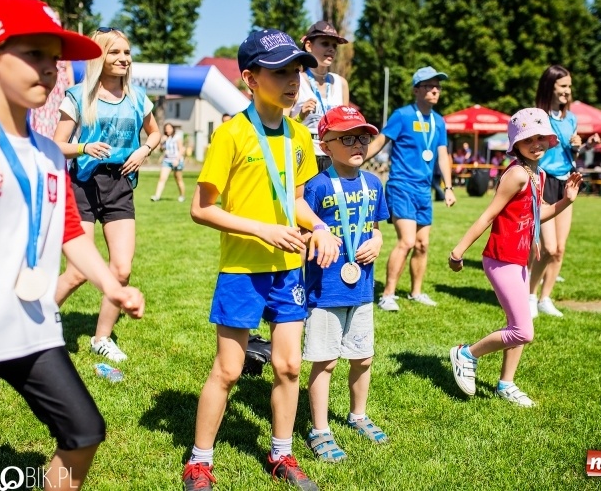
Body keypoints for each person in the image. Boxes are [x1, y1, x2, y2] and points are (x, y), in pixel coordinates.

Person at [0, 0, 145, 491]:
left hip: (31, 325)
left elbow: (70, 232)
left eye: (55, 59)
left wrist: (112, 286)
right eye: (34, 54)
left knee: (84, 432)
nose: (49, 69)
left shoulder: (49, 154)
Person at [181, 28, 340, 491]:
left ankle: (281, 454)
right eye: (280, 72)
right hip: (242, 271)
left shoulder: (298, 135)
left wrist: (320, 226)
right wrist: (263, 229)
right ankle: (199, 461)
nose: (293, 80)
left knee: (288, 366)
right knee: (229, 370)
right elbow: (201, 209)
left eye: (297, 71)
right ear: (250, 79)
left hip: (288, 270)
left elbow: (294, 200)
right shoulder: (232, 134)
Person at [447, 108, 582, 406]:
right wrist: (458, 251)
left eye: (540, 137)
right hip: (501, 259)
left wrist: (565, 201)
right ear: (516, 144)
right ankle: (466, 354)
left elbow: (537, 214)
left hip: (518, 260)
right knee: (523, 330)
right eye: (528, 139)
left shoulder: (538, 174)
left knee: (516, 323)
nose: (536, 144)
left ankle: (506, 384)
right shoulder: (518, 174)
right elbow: (488, 216)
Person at [52, 27, 161, 362]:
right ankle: (31, 322)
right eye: (115, 52)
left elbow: (155, 134)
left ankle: (101, 338)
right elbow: (56, 145)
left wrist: (143, 150)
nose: (123, 58)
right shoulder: (77, 96)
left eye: (126, 52)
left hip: (120, 184)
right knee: (78, 271)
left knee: (122, 270)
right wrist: (84, 147)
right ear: (98, 56)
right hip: (83, 185)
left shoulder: (138, 97)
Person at [302, 106, 390, 463]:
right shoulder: (316, 186)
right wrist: (315, 238)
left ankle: (358, 415)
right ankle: (320, 429)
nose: (358, 145)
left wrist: (377, 241)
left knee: (363, 357)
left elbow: (376, 228)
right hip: (325, 290)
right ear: (325, 145)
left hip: (362, 288)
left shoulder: (373, 183)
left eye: (363, 138)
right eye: (348, 138)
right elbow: (302, 232)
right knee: (325, 362)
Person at [366, 66, 456, 311]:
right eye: (429, 86)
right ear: (416, 90)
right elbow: (380, 141)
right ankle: (387, 295)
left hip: (423, 190)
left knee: (422, 244)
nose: (435, 90)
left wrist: (448, 187)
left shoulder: (439, 122)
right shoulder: (402, 115)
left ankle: (416, 292)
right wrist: (354, 161)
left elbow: (442, 155)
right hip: (401, 186)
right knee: (406, 241)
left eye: (438, 86)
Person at [528, 65, 581, 318]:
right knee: (547, 247)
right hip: (543, 180)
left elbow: (570, 151)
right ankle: (529, 295)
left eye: (569, 86)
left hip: (565, 181)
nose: (567, 91)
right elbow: (530, 149)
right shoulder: (537, 117)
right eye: (563, 86)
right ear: (550, 86)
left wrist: (578, 145)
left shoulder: (571, 119)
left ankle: (544, 298)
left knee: (560, 248)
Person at [289, 21, 350, 172]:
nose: (331, 49)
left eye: (334, 46)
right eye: (325, 43)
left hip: (333, 157)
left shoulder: (341, 83)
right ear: (309, 46)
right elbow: (280, 126)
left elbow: (347, 126)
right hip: (303, 156)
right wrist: (300, 117)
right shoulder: (295, 80)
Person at [31, 60, 75, 138]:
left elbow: (68, 66)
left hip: (60, 90)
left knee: (58, 114)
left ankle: (55, 137)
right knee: (42, 113)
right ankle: (41, 136)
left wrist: (71, 84)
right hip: (44, 83)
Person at [150, 122, 186, 202]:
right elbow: (160, 149)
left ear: (173, 129)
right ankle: (157, 196)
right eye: (166, 129)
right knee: (162, 178)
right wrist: (162, 142)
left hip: (176, 160)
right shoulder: (165, 138)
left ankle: (182, 196)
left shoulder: (177, 137)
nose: (168, 130)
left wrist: (177, 160)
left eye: (169, 128)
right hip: (167, 160)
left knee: (178, 179)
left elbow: (181, 149)